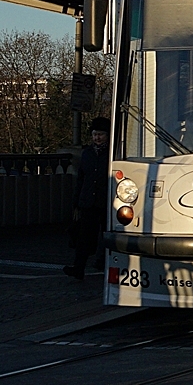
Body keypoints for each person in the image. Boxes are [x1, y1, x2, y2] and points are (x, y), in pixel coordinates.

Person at [66, 117, 110, 280]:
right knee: (84, 237)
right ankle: (79, 267)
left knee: (107, 235)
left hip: (106, 201)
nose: (97, 138)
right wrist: (77, 201)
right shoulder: (87, 153)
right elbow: (81, 178)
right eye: (95, 134)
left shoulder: (112, 154)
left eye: (100, 134)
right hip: (89, 201)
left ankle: (103, 263)